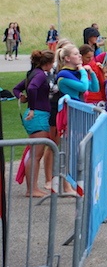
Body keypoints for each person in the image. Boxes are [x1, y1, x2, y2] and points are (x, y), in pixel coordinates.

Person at [13, 50, 55, 197]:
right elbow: (31, 88)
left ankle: (32, 188)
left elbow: (17, 88)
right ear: (48, 63)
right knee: (36, 155)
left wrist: (21, 97)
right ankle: (32, 189)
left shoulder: (32, 73)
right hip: (38, 116)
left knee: (35, 154)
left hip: (36, 115)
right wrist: (32, 106)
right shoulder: (40, 75)